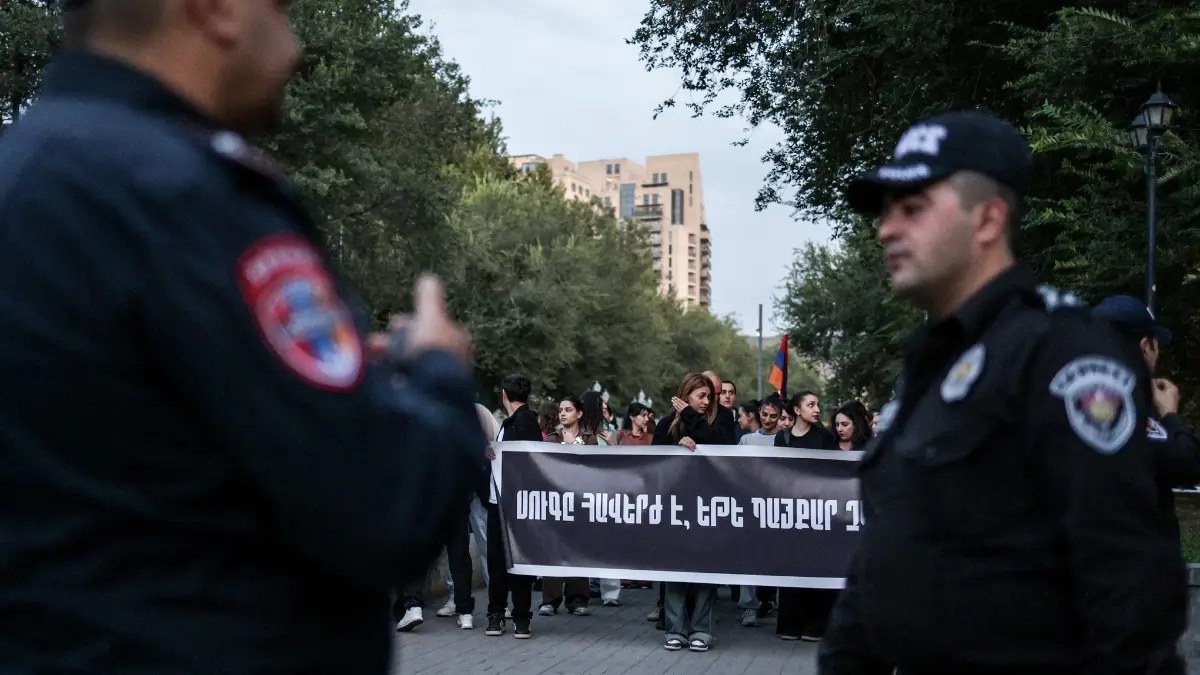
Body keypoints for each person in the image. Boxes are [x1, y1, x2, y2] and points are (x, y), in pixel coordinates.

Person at [0, 3, 488, 674]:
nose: (294, 46)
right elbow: (390, 506)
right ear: (214, 9)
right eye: (281, 9)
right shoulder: (190, 194)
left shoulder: (25, 176)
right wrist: (439, 367)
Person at [819, 111, 1187, 675]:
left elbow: (1129, 590)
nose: (886, 228)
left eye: (912, 208)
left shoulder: (1063, 354)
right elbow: (887, 549)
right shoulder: (934, 363)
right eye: (886, 211)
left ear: (987, 220)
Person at [1093, 295, 1200, 492]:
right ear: (1145, 347)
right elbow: (1189, 464)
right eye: (1156, 344)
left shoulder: (1076, 400)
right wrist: (1170, 414)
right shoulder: (1129, 409)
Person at [485, 374, 541, 638]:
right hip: (504, 500)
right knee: (501, 561)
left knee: (511, 562)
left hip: (514, 502)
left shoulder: (523, 421)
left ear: (504, 395)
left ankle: (515, 615)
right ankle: (504, 614)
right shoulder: (515, 422)